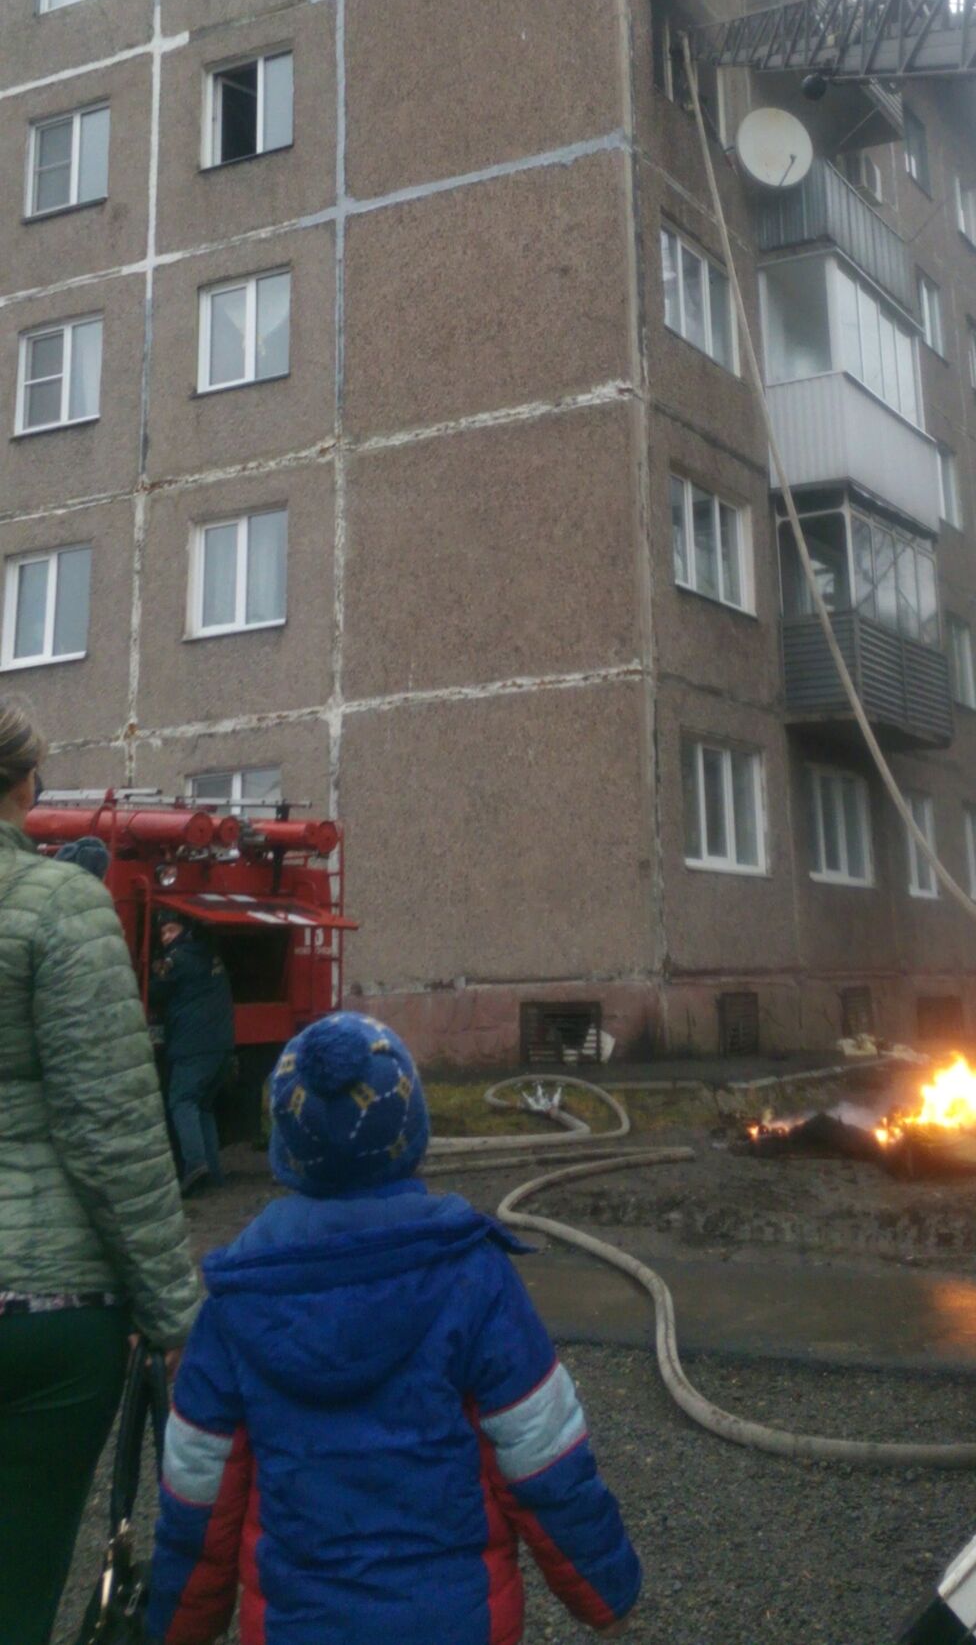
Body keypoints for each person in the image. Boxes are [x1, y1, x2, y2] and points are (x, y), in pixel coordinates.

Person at [147, 1012, 640, 1645]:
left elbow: (198, 1488)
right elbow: (543, 1454)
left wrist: (177, 1621)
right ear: (411, 1138)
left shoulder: (237, 1298)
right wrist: (606, 1589)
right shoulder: (472, 1275)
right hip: (456, 1621)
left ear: (286, 1152)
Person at [0, 701, 199, 1645]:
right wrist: (174, 1318)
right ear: (23, 784)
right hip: (44, 1319)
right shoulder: (60, 907)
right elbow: (112, 1129)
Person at [149, 913, 236, 1194]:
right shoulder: (210, 954)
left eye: (171, 930)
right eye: (162, 933)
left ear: (185, 931)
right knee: (204, 1107)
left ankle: (195, 1166)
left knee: (182, 1102)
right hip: (221, 1046)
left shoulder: (178, 959)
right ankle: (213, 1173)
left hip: (192, 1047)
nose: (166, 938)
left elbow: (154, 991)